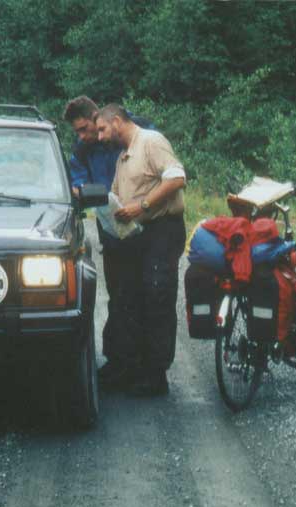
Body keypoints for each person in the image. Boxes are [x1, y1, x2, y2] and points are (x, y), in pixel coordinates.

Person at [94, 103, 186, 396]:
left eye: (101, 129)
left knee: (157, 296)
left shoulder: (151, 141)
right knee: (132, 297)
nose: (99, 137)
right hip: (139, 235)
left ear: (117, 122)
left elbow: (176, 178)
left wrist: (143, 205)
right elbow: (120, 201)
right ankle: (132, 367)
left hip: (163, 229)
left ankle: (156, 376)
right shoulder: (123, 158)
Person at [62, 96, 153, 390]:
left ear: (97, 116)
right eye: (78, 132)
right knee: (118, 294)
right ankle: (117, 361)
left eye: (85, 128)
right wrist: (81, 191)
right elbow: (77, 182)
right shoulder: (83, 149)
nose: (85, 136)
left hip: (145, 224)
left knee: (145, 294)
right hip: (112, 228)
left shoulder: (137, 131)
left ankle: (146, 366)